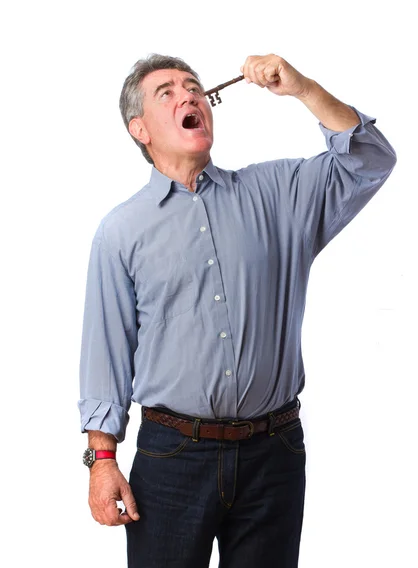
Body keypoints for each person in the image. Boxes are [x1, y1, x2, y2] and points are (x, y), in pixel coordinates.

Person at [78, 52, 396, 568]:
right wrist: (102, 460)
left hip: (274, 455)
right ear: (140, 129)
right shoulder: (121, 233)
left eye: (194, 87)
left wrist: (303, 89)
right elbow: (106, 355)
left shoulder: (277, 196)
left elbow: (370, 158)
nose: (189, 96)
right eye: (167, 92)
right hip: (173, 457)